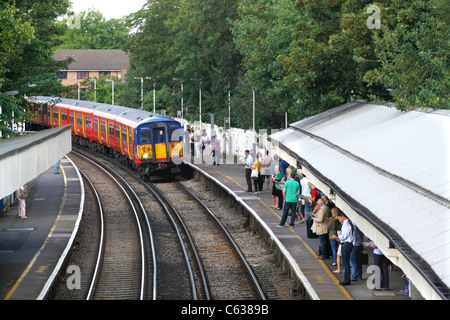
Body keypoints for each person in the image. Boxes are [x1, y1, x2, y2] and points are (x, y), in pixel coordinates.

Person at [335, 211, 354, 285]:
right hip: (348, 244)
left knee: (346, 263)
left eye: (339, 217)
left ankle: (346, 280)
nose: (339, 219)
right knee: (346, 263)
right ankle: (347, 279)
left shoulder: (346, 225)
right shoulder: (348, 223)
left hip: (346, 244)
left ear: (343, 216)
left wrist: (338, 237)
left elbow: (344, 236)